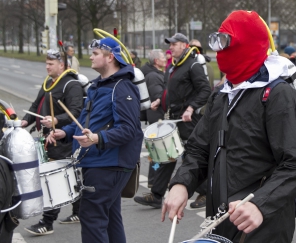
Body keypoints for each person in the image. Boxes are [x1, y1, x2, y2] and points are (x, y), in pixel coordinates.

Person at [161, 10, 296, 242]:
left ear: (249, 45)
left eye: (226, 43)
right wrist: (181, 183)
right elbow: (199, 148)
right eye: (218, 43)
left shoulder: (279, 95)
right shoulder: (222, 94)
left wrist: (260, 205)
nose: (220, 52)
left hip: (261, 223)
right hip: (220, 217)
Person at [47, 37, 143, 242]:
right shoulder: (96, 87)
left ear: (110, 57)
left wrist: (98, 138)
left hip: (109, 163)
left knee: (91, 216)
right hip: (99, 161)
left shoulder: (122, 87)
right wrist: (64, 132)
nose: (90, 57)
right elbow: (86, 121)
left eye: (96, 53)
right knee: (109, 217)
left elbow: (129, 129)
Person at [134, 33, 211, 209]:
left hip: (188, 120)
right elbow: (170, 90)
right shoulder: (174, 67)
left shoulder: (193, 65)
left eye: (174, 44)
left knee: (190, 157)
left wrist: (191, 108)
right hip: (174, 118)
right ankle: (157, 194)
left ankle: (207, 192)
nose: (170, 48)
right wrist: (159, 101)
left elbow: (205, 90)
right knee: (167, 155)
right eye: (170, 45)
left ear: (184, 46)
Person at [23, 49, 84, 236]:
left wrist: (56, 120)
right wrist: (24, 121)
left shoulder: (71, 84)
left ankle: (47, 222)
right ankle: (79, 212)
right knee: (70, 176)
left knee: (53, 179)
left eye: (51, 64)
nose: (47, 67)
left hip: (61, 137)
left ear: (62, 65)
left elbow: (76, 112)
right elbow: (36, 105)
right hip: (47, 137)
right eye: (46, 63)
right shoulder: (49, 82)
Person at [141, 49, 167, 187]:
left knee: (157, 152)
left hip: (157, 119)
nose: (166, 58)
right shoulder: (154, 76)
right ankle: (153, 180)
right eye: (163, 57)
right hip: (158, 120)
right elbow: (158, 96)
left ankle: (154, 180)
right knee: (157, 152)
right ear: (156, 61)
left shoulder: (156, 74)